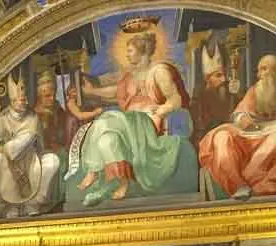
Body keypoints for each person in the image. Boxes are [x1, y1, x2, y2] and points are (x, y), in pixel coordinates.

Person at [68, 30, 193, 203]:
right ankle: (122, 181)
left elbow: (176, 98)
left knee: (105, 119)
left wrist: (163, 109)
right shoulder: (130, 75)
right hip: (128, 124)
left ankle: (93, 170)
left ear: (142, 51)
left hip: (148, 123)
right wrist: (92, 91)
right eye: (126, 51)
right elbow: (115, 92)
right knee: (107, 140)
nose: (127, 55)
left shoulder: (159, 71)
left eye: (130, 51)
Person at [197, 54, 276, 199]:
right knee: (221, 136)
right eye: (258, 70)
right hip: (250, 135)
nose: (259, 74)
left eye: (263, 69)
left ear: (275, 70)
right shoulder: (256, 89)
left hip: (275, 132)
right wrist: (242, 117)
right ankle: (238, 185)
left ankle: (250, 186)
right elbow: (239, 112)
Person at [0, 75, 60, 218]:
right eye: (21, 100)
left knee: (52, 161)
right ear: (12, 101)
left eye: (25, 99)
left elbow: (18, 147)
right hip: (7, 162)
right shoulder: (2, 118)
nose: (24, 102)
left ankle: (33, 203)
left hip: (30, 161)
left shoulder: (32, 118)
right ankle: (2, 205)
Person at [190, 49, 237, 147]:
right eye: (218, 76)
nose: (223, 79)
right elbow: (201, 128)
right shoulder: (198, 99)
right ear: (208, 79)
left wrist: (234, 94)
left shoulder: (229, 93)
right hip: (208, 142)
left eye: (224, 75)